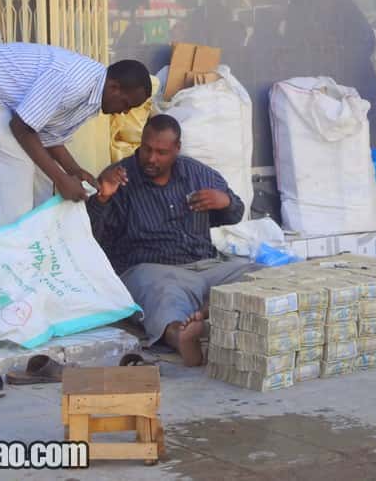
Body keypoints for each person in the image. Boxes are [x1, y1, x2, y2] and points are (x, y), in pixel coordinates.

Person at [86, 114, 252, 366]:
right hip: (153, 269)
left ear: (177, 149)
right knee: (164, 297)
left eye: (161, 152)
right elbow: (91, 237)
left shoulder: (197, 174)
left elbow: (236, 211)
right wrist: (102, 198)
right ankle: (182, 335)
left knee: (260, 276)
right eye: (147, 149)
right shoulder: (120, 179)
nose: (151, 158)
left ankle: (208, 310)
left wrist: (226, 202)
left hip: (207, 266)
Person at [0, 43, 151, 235]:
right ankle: (6, 257)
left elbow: (46, 135)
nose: (124, 112)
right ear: (114, 88)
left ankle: (33, 245)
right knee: (14, 167)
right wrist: (61, 179)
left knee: (42, 177)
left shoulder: (94, 99)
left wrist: (74, 171)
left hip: (2, 99)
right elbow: (21, 127)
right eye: (126, 104)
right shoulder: (74, 82)